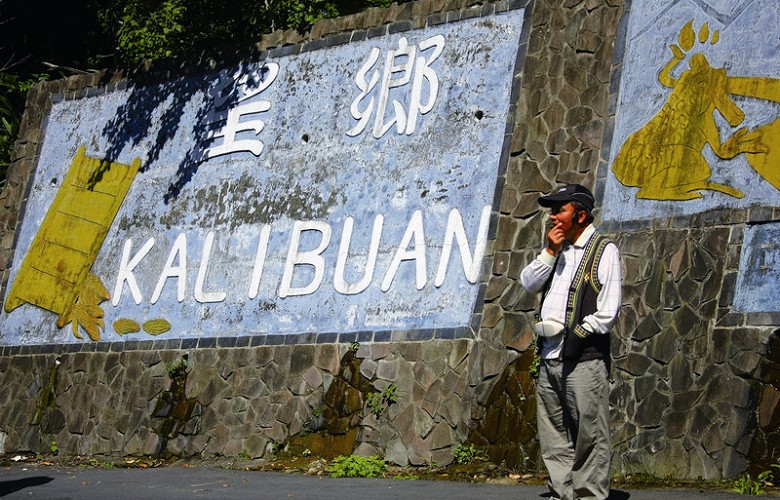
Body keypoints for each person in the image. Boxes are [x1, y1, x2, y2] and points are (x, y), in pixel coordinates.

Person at [520, 184, 622, 500]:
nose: (552, 217)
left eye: (559, 210)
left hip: (584, 358)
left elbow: (609, 308)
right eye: (552, 210)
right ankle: (561, 492)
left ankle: (589, 494)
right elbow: (528, 283)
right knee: (553, 434)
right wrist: (549, 251)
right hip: (550, 355)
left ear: (580, 214)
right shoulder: (558, 250)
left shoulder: (604, 249)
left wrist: (579, 333)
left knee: (590, 433)